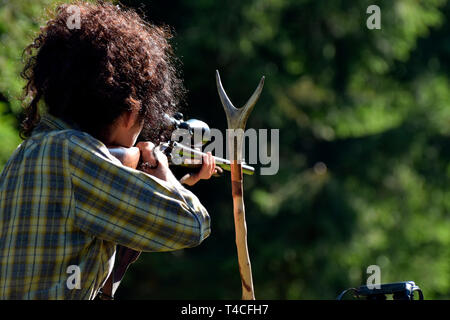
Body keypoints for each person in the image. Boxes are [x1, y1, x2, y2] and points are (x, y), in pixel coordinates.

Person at [0, 1, 216, 299]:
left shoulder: (27, 154)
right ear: (130, 112)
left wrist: (174, 184)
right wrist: (164, 172)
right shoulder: (74, 155)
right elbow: (193, 224)